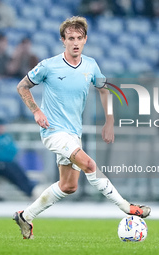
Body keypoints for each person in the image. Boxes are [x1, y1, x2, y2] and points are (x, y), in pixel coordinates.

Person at [12, 16, 151, 239]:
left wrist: (110, 121)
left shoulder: (91, 65)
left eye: (79, 38)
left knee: (68, 186)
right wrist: (37, 111)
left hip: (73, 133)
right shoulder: (49, 65)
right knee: (89, 164)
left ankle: (25, 216)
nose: (75, 42)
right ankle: (126, 207)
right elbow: (22, 86)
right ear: (63, 40)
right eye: (70, 38)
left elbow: (104, 90)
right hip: (53, 131)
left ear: (85, 39)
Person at [0, 118, 36, 198]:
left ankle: (31, 188)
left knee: (20, 173)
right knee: (15, 175)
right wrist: (5, 154)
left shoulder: (6, 136)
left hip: (9, 162)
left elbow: (14, 150)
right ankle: (30, 191)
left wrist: (5, 154)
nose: (0, 128)